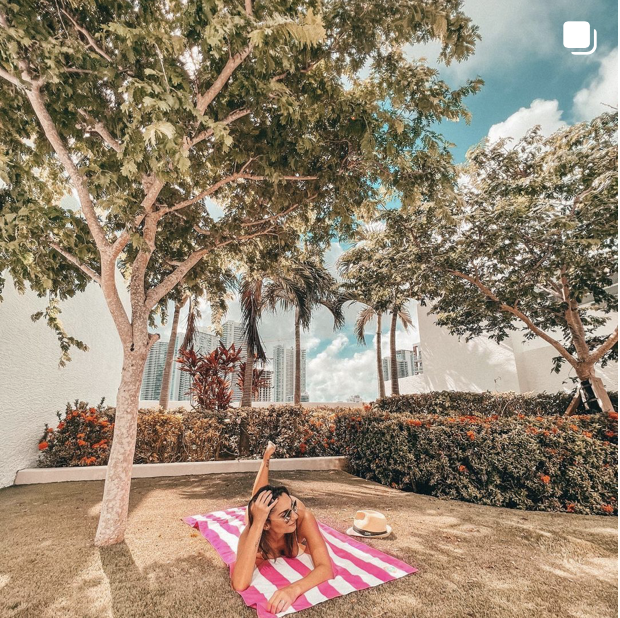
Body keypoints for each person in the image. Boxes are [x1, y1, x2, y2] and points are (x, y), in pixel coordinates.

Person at [231, 441, 334, 614]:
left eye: (291, 509)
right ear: (266, 525)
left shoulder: (302, 517)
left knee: (268, 497)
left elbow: (326, 568)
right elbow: (240, 583)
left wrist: (293, 589)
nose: (293, 516)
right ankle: (266, 460)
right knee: (253, 504)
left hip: (275, 511)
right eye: (286, 515)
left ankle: (266, 461)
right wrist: (257, 524)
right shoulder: (252, 531)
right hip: (260, 520)